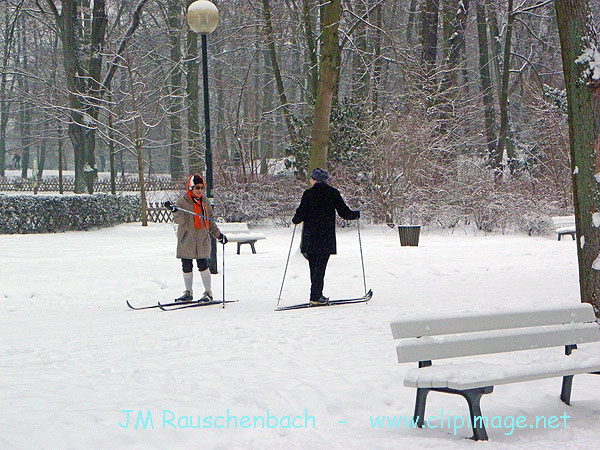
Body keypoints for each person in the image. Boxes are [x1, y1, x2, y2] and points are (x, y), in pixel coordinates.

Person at [292, 168, 360, 306]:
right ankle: (316, 296)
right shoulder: (333, 193)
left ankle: (316, 295)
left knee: (314, 267)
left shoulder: (308, 194)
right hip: (326, 237)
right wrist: (355, 214)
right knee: (321, 267)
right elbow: (344, 212)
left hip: (310, 236)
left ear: (315, 179)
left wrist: (295, 219)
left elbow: (299, 216)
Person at [165, 174, 228, 302]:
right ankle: (188, 292)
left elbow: (210, 222)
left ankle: (208, 293)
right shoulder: (182, 202)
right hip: (187, 240)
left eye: (202, 188)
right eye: (197, 188)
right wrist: (175, 212)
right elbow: (181, 221)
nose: (200, 191)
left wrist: (219, 236)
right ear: (190, 188)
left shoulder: (205, 202)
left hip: (202, 239)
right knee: (186, 265)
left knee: (203, 265)